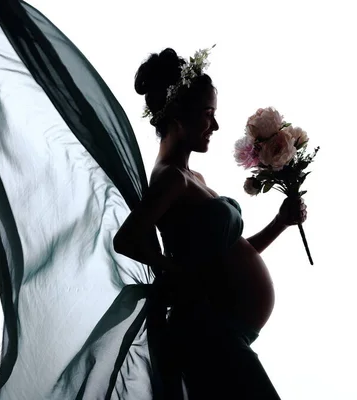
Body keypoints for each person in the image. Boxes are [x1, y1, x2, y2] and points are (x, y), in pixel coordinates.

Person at [113, 48, 308, 399]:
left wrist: (280, 223)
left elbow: (231, 252)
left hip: (223, 332)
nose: (215, 126)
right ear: (177, 115)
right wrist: (174, 271)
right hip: (207, 332)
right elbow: (125, 240)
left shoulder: (193, 176)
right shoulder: (172, 179)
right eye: (208, 114)